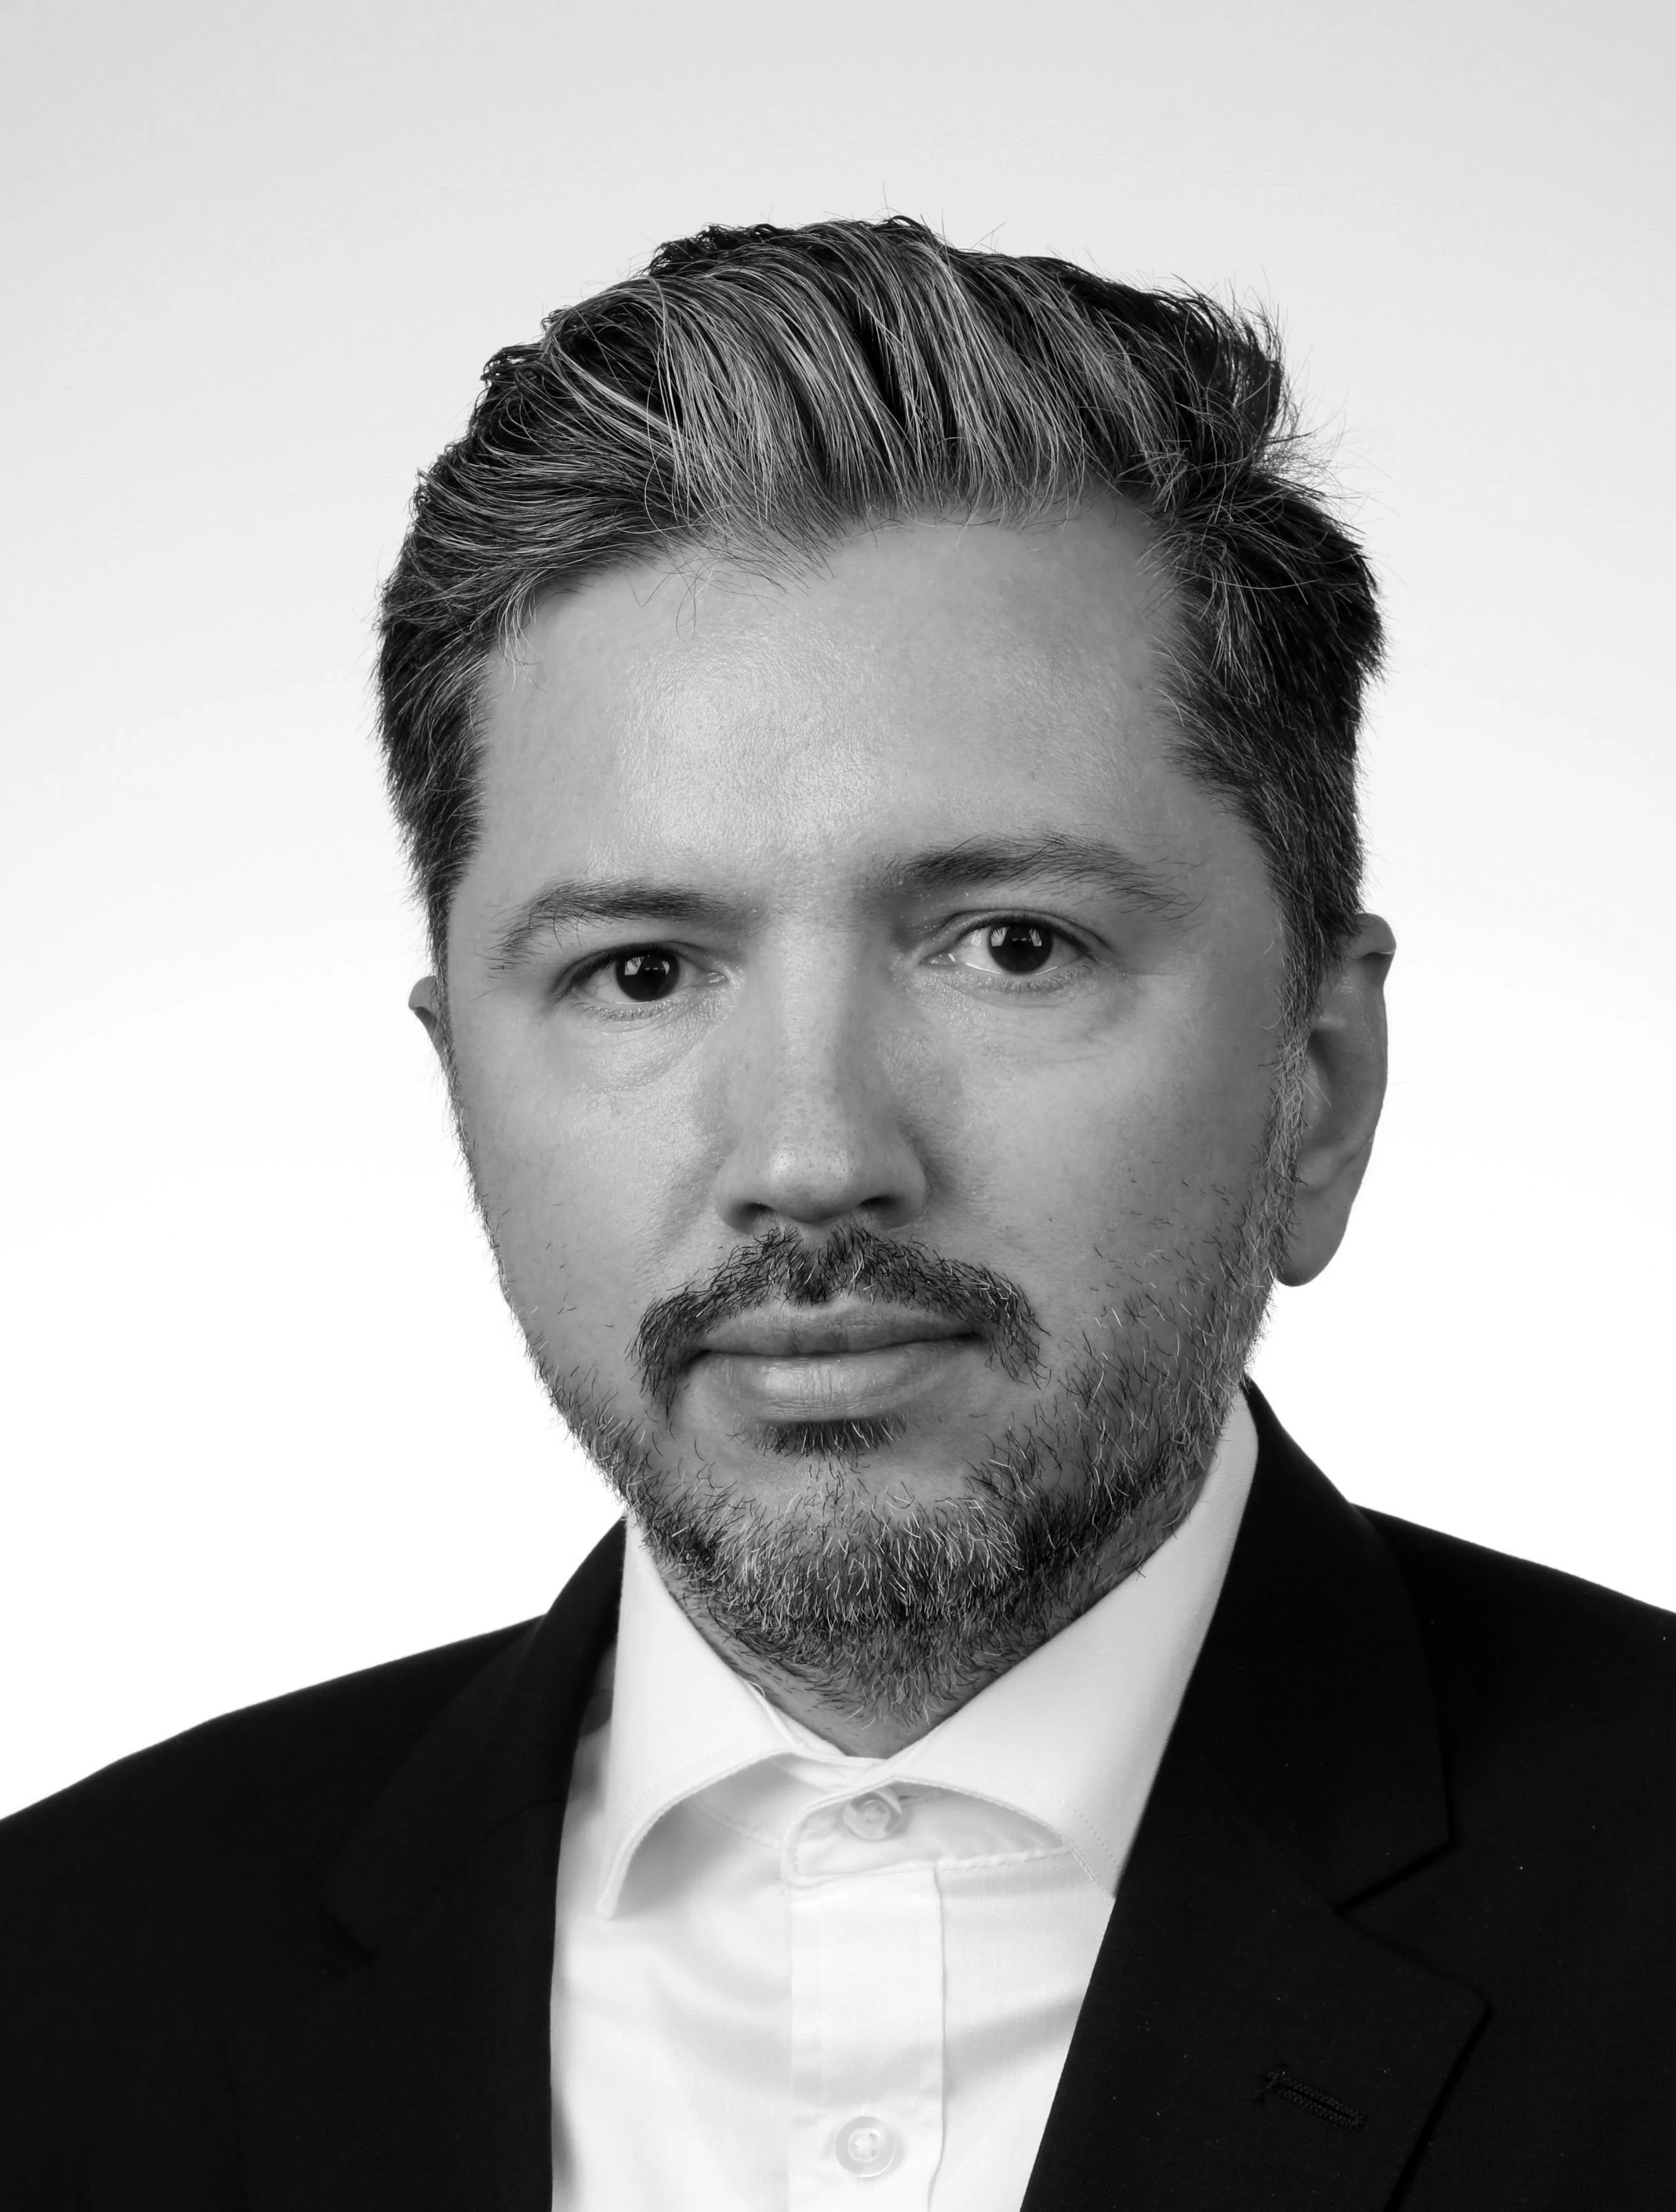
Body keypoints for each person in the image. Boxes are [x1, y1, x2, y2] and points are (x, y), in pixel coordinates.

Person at [1, 216, 1670, 2211]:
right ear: (458, 1084)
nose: (811, 1156)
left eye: (1012, 944)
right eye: (639, 971)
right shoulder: (57, 1990)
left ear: (1318, 1080)